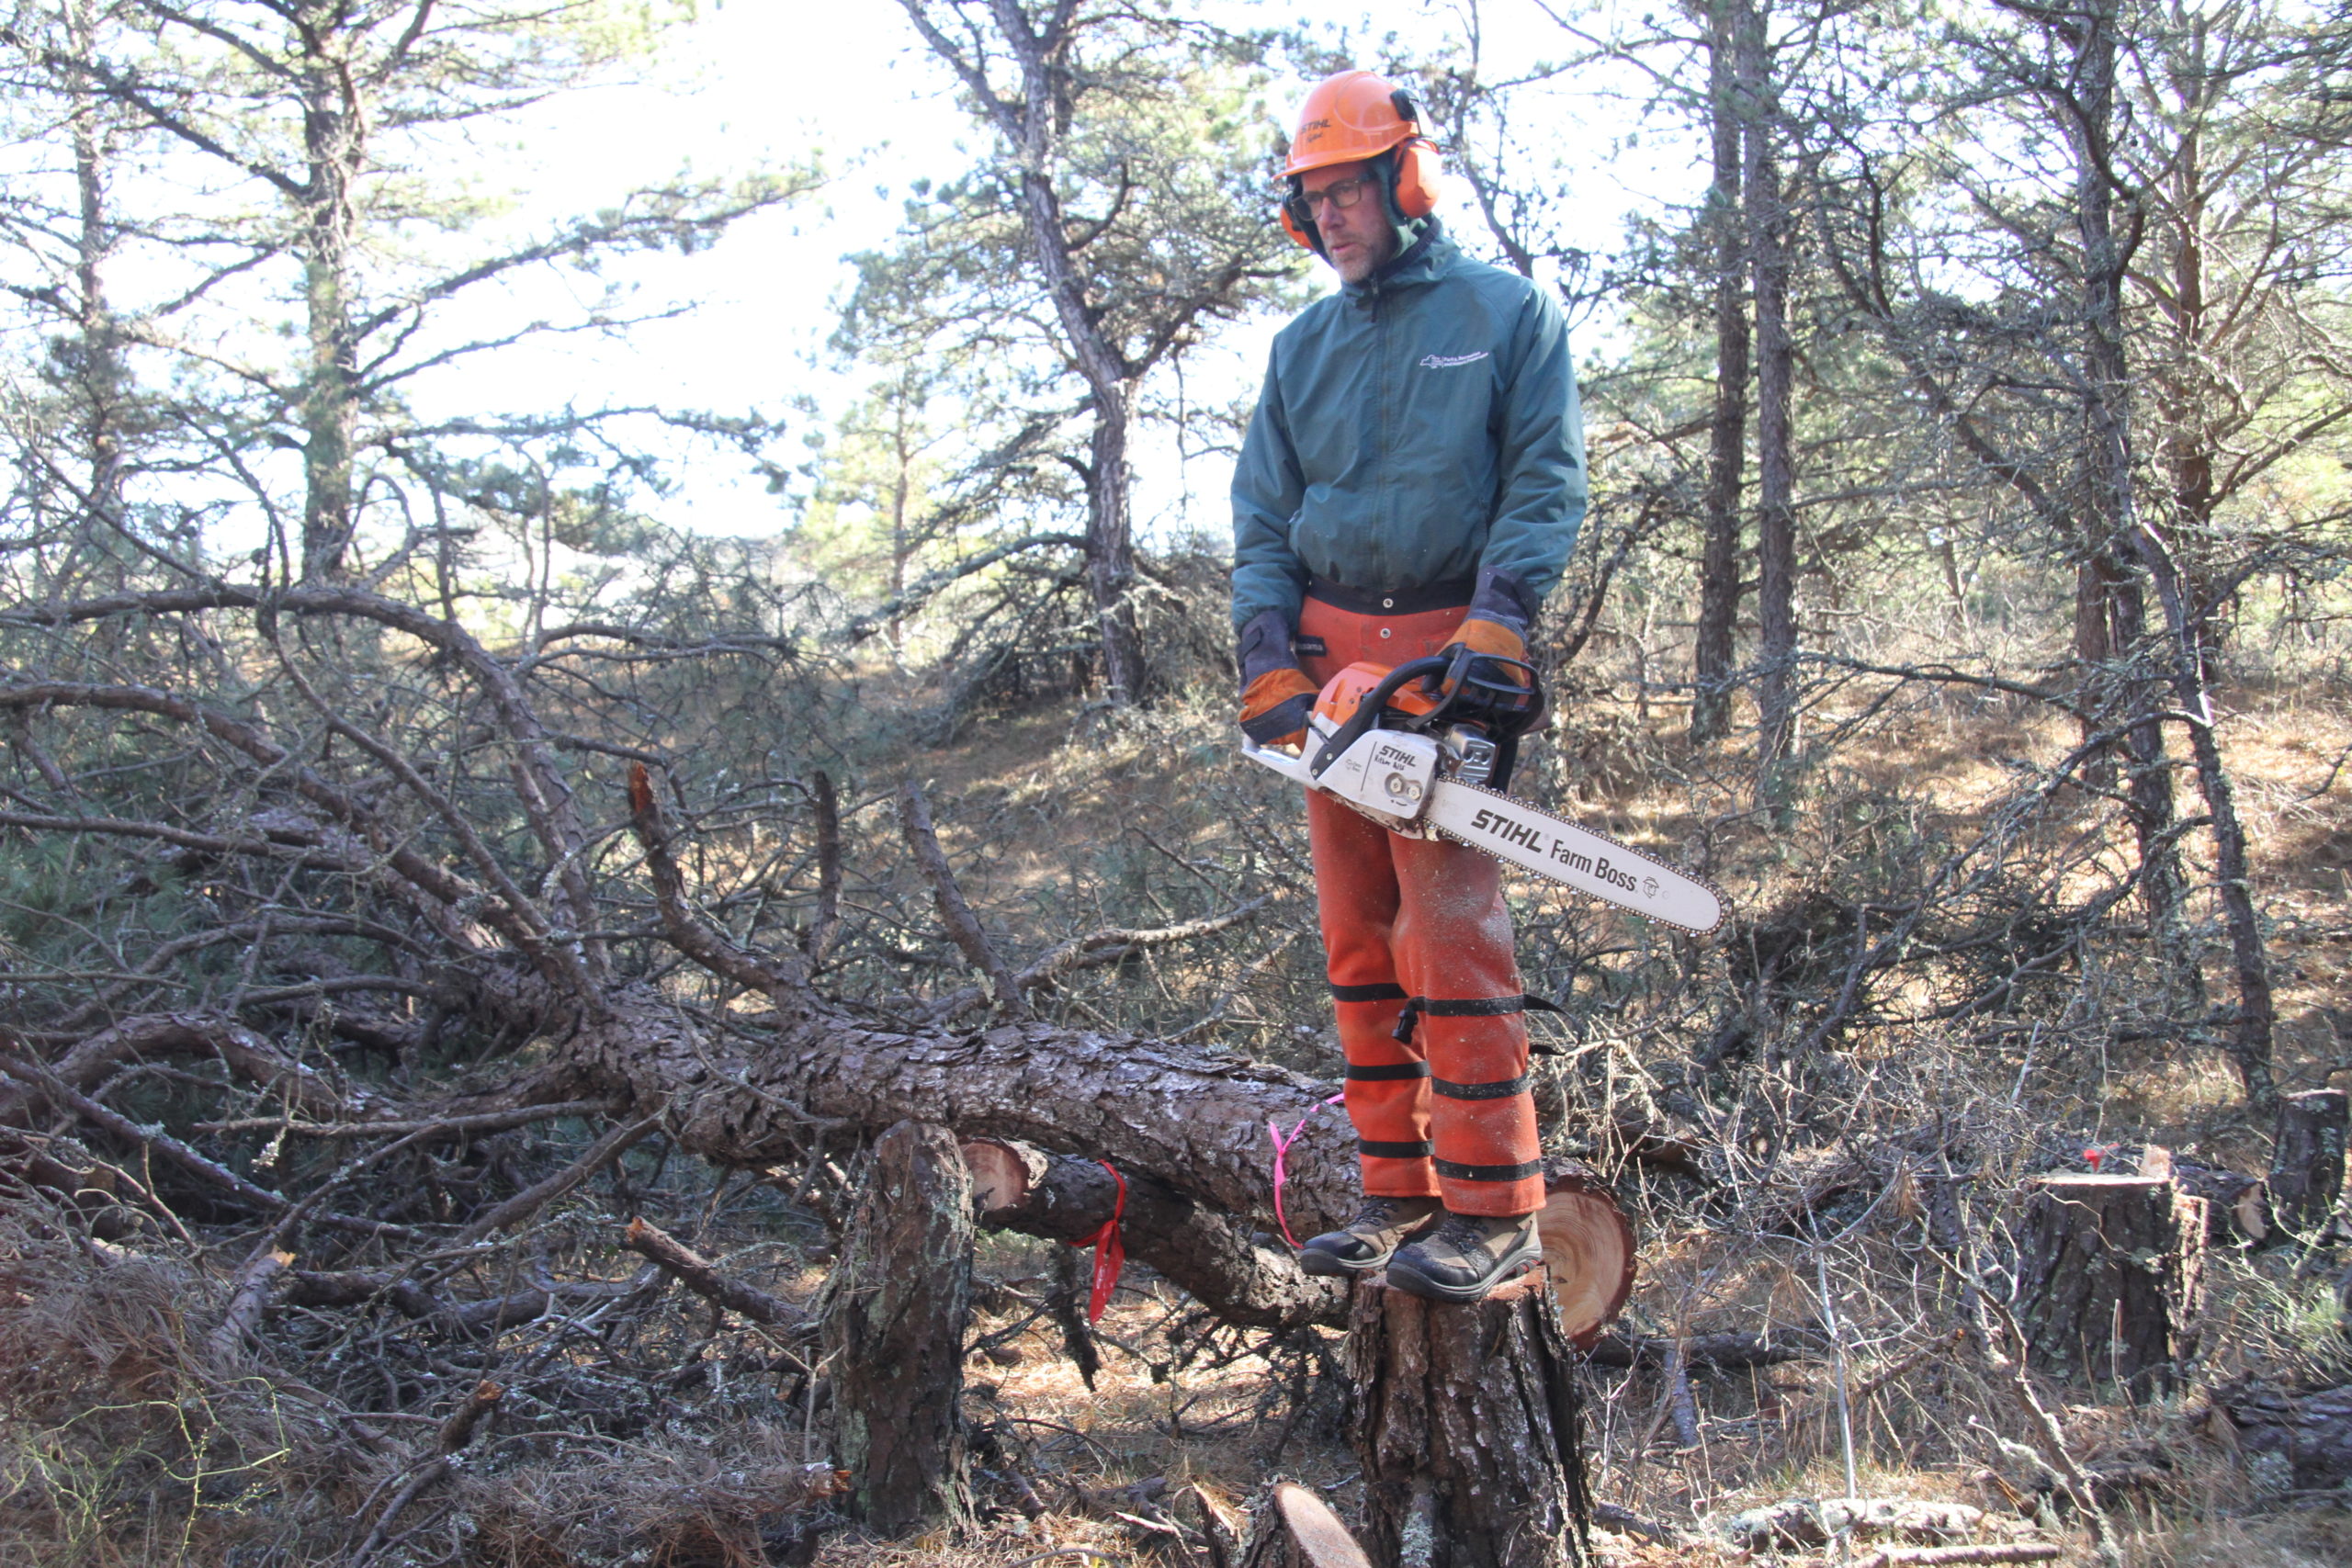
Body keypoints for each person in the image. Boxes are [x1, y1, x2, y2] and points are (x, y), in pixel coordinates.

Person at [1231, 69, 1587, 1303]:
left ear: (1403, 180)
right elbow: (1263, 515)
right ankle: (1396, 1191)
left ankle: (1494, 1208)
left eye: (1346, 192)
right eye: (1311, 199)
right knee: (1356, 931)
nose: (1330, 219)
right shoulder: (1302, 348)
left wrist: (1499, 626)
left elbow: (1543, 483)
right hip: (1329, 665)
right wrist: (1265, 649)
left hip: (1443, 648)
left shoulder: (1505, 314)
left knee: (1448, 931)